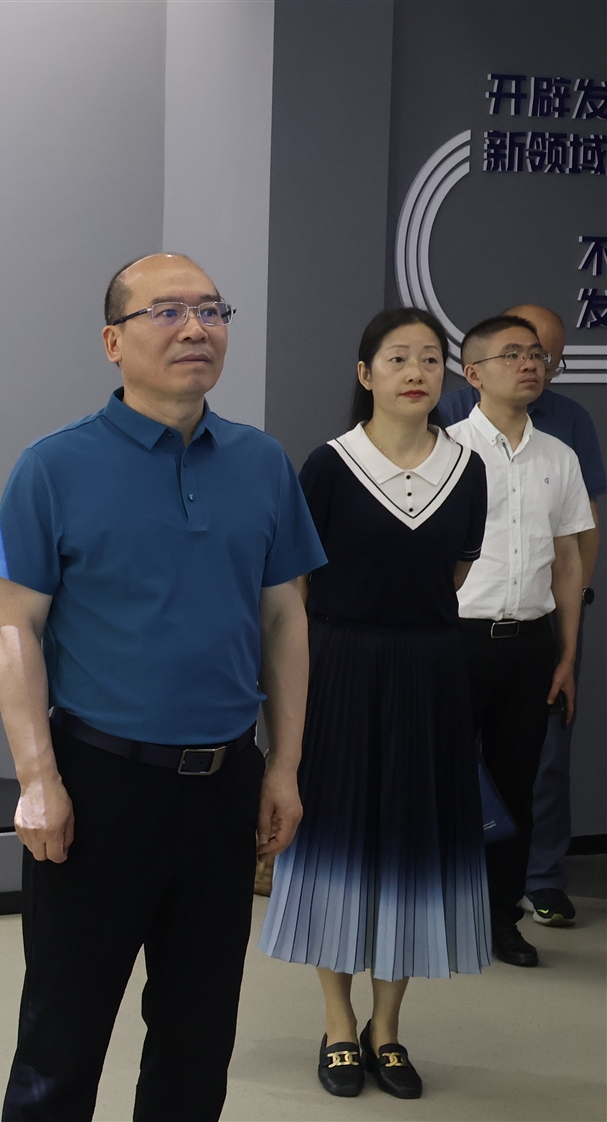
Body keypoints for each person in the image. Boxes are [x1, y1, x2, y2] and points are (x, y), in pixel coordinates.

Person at [0, 253, 323, 1121]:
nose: (196, 329)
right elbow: (14, 630)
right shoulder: (54, 466)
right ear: (113, 341)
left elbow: (284, 620)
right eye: (167, 311)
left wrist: (283, 766)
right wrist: (37, 780)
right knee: (62, 1037)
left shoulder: (261, 463)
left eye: (211, 311)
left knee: (197, 1036)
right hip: (99, 786)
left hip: (224, 786)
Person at [259, 308, 489, 1101]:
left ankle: (386, 1030)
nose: (415, 371)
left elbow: (454, 575)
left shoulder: (467, 469)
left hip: (430, 672)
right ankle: (337, 1023)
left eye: (429, 357)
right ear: (366, 375)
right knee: (339, 840)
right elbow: (296, 588)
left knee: (411, 844)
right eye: (397, 358)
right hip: (341, 669)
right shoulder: (329, 465)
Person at [434, 303, 603, 929]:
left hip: (531, 643)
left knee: (518, 781)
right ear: (473, 373)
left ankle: (502, 917)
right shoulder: (443, 449)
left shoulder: (560, 455)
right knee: (442, 774)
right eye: (513, 355)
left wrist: (566, 654)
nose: (530, 364)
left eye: (536, 355)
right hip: (455, 639)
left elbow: (569, 560)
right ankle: (438, 911)